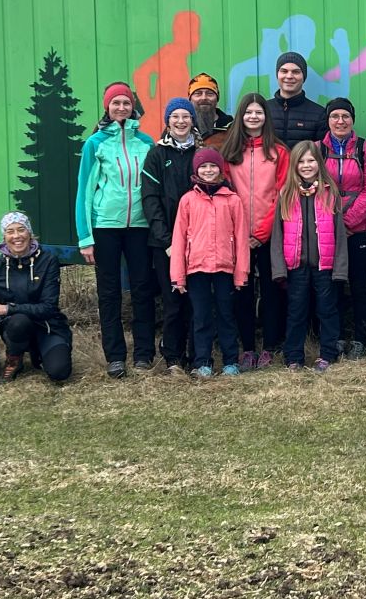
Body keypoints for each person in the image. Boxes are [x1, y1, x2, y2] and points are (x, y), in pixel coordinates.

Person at [75, 82, 156, 379]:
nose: (121, 108)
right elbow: (84, 191)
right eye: (116, 103)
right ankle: (115, 356)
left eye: (126, 103)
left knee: (143, 290)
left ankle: (144, 353)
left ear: (133, 107)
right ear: (107, 107)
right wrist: (85, 237)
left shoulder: (146, 142)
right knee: (109, 293)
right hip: (105, 227)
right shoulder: (94, 144)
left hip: (140, 226)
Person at [0, 212, 73, 383]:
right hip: (15, 327)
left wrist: (7, 308)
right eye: (10, 231)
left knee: (59, 372)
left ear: (29, 233)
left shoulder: (48, 261)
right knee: (18, 321)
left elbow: (49, 307)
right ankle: (14, 358)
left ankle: (38, 353)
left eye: (21, 230)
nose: (16, 236)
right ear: (4, 237)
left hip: (47, 325)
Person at [221, 92, 289, 369]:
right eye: (248, 112)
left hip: (270, 235)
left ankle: (270, 347)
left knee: (272, 292)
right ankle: (248, 348)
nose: (253, 116)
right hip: (238, 236)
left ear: (265, 116)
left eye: (258, 112)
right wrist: (241, 232)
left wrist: (261, 233)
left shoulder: (279, 152)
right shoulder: (229, 152)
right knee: (242, 293)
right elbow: (226, 194)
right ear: (241, 116)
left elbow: (282, 195)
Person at [170, 147, 250, 378]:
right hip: (196, 269)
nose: (208, 170)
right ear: (196, 170)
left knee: (226, 314)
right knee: (201, 316)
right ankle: (203, 362)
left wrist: (241, 274)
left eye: (212, 166)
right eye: (203, 166)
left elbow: (241, 239)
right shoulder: (188, 200)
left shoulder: (232, 200)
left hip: (225, 268)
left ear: (220, 169)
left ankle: (230, 361)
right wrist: (178, 276)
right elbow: (179, 239)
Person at [272, 140, 348, 373]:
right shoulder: (286, 194)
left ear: (319, 163)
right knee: (296, 312)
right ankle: (294, 357)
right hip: (296, 266)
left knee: (327, 310)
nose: (306, 165)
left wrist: (340, 268)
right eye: (301, 161)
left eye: (311, 160)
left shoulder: (330, 192)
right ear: (294, 165)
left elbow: (340, 233)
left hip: (324, 266)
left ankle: (328, 354)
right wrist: (279, 268)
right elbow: (277, 233)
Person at [141, 98, 200, 373]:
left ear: (192, 120)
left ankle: (197, 356)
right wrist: (166, 241)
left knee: (195, 300)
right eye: (175, 116)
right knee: (173, 300)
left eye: (185, 116)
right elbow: (150, 199)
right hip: (165, 244)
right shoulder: (156, 154)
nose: (180, 121)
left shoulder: (201, 154)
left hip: (198, 241)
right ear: (167, 121)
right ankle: (173, 356)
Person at [321, 98, 366, 359]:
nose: (340, 121)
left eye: (345, 116)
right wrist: (334, 224)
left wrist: (347, 222)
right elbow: (314, 188)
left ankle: (360, 338)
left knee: (359, 285)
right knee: (331, 286)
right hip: (327, 229)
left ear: (352, 119)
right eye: (335, 116)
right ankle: (335, 337)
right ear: (328, 120)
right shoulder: (318, 149)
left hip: (360, 229)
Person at [266, 51, 327, 149]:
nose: (289, 76)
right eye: (284, 71)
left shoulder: (319, 114)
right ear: (277, 75)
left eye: (296, 72)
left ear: (303, 76)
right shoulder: (264, 110)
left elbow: (321, 153)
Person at [188, 72, 235, 147]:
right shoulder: (182, 126)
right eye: (198, 93)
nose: (204, 98)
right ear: (190, 99)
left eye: (209, 93)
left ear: (217, 99)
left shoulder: (231, 127)